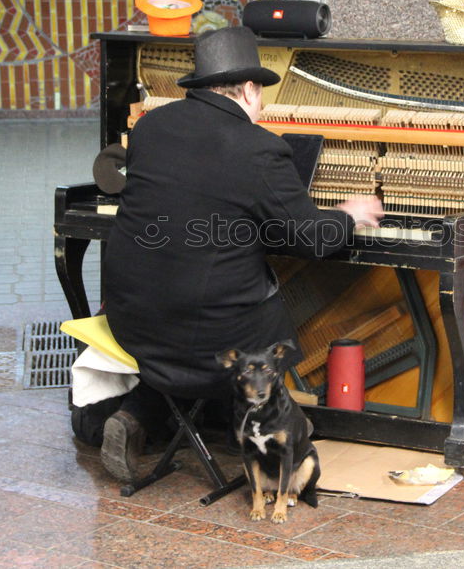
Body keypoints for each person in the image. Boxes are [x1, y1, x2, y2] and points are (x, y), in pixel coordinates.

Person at [73, 26, 383, 482]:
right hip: (215, 337)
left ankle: (138, 414)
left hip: (134, 321)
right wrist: (347, 212)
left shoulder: (150, 127)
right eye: (262, 96)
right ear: (251, 89)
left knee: (197, 304)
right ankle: (267, 425)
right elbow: (312, 238)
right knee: (260, 313)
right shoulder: (258, 146)